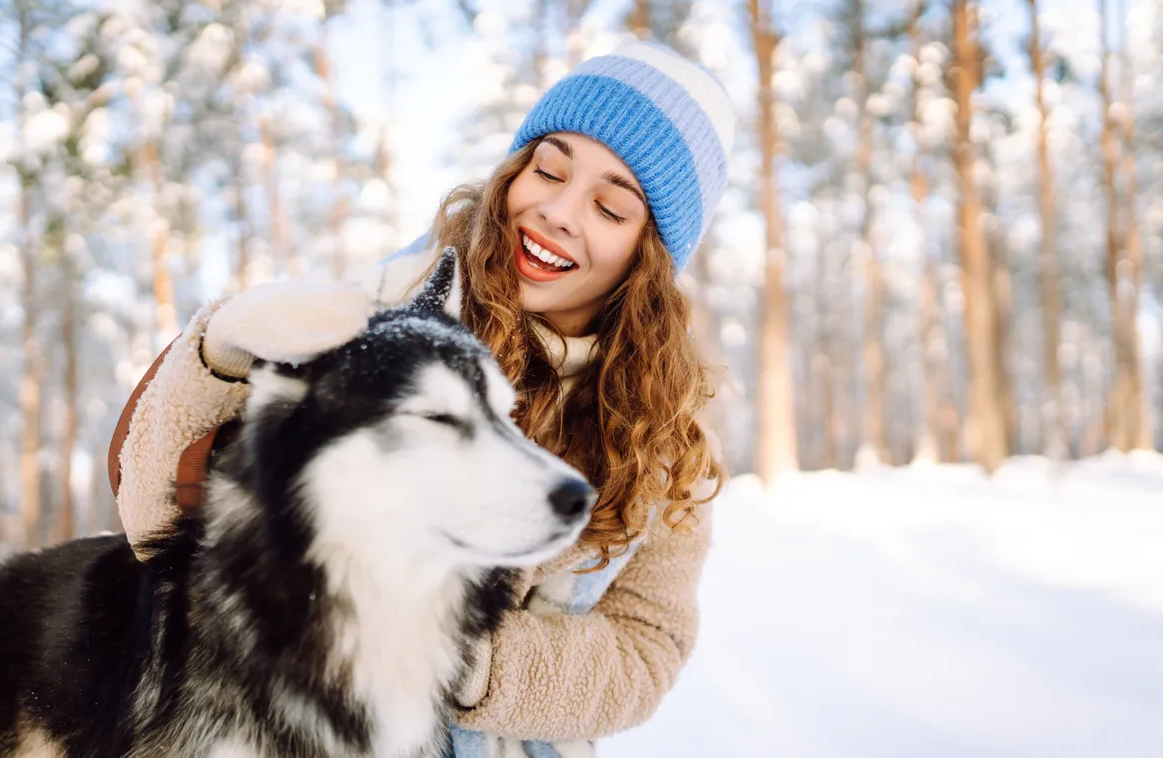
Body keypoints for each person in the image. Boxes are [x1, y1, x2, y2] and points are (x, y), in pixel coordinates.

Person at [107, 40, 735, 757]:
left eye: (609, 207)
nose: (558, 212)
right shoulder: (374, 319)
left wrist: (448, 654)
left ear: (647, 256)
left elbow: (642, 651)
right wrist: (215, 357)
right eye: (548, 169)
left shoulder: (662, 438)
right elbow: (156, 519)